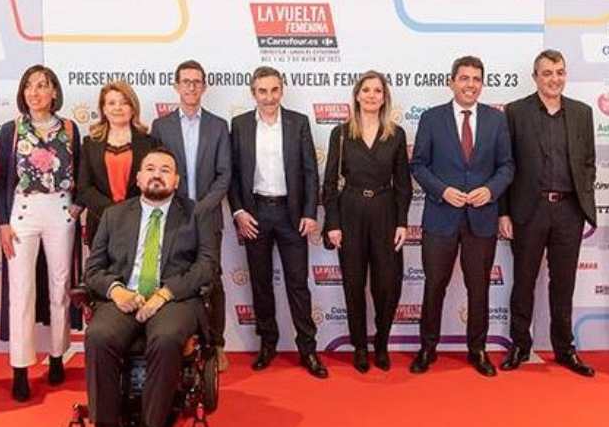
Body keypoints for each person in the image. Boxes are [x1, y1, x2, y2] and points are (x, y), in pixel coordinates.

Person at [83, 147, 218, 427]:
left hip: (173, 298)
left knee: (168, 338)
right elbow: (93, 270)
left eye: (165, 170)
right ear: (139, 178)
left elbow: (206, 267)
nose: (157, 174)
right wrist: (116, 291)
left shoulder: (197, 213)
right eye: (150, 169)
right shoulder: (113, 215)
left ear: (176, 180)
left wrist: (166, 293)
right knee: (98, 337)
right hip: (124, 298)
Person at [410, 55, 514, 377]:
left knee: (479, 287)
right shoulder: (431, 118)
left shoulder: (497, 120)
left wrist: (491, 190)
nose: (470, 85)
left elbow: (507, 166)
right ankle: (427, 348)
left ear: (482, 84)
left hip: (482, 218)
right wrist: (442, 190)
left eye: (476, 79)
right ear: (451, 81)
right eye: (464, 78)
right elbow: (418, 166)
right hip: (441, 217)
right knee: (434, 285)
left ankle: (477, 349)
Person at [498, 49, 597, 376]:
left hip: (569, 210)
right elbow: (505, 166)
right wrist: (504, 212)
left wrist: (582, 199)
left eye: (559, 72)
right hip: (529, 210)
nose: (554, 78)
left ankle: (565, 349)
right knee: (524, 281)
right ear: (535, 77)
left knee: (563, 283)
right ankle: (520, 345)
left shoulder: (582, 113)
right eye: (547, 73)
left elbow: (588, 162)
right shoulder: (515, 112)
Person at [229, 67, 326, 378]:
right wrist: (239, 212)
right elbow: (232, 174)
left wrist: (310, 212)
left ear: (281, 90)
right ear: (253, 93)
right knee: (260, 283)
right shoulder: (240, 124)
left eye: (274, 90)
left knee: (298, 284)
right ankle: (267, 344)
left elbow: (311, 171)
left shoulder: (298, 122)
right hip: (255, 213)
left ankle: (308, 349)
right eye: (262, 91)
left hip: (291, 215)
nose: (269, 97)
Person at [0, 66, 82, 402]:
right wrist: (2, 222)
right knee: (21, 289)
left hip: (60, 211)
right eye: (29, 86)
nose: (35, 92)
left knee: (60, 285)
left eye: (42, 86)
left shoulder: (71, 129)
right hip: (22, 213)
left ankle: (58, 355)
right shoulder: (11, 130)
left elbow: (81, 171)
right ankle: (20, 367)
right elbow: (1, 180)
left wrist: (78, 206)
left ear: (54, 92)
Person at [322, 71, 412, 373]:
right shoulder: (341, 133)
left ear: (384, 97)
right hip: (350, 211)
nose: (372, 95)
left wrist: (402, 222)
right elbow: (330, 183)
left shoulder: (396, 134)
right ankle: (360, 346)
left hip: (386, 211)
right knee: (354, 283)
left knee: (387, 284)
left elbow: (403, 184)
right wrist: (332, 223)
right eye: (366, 90)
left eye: (378, 90)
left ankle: (381, 343)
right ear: (357, 95)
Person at [150, 60, 231, 372]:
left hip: (208, 215)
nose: (191, 87)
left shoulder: (219, 125)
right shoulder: (161, 126)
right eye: (186, 81)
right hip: (173, 216)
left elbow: (224, 174)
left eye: (197, 82)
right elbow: (158, 171)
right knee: (173, 279)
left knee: (212, 280)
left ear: (204, 86)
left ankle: (217, 345)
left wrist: (202, 207)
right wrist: (182, 206)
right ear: (176, 85)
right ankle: (182, 341)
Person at [77, 80, 156, 246]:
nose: (118, 108)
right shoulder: (90, 143)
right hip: (101, 223)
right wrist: (113, 212)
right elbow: (84, 188)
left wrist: (129, 212)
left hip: (139, 223)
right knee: (101, 272)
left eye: (124, 103)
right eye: (112, 103)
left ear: (133, 107)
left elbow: (154, 184)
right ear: (104, 109)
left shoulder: (150, 143)